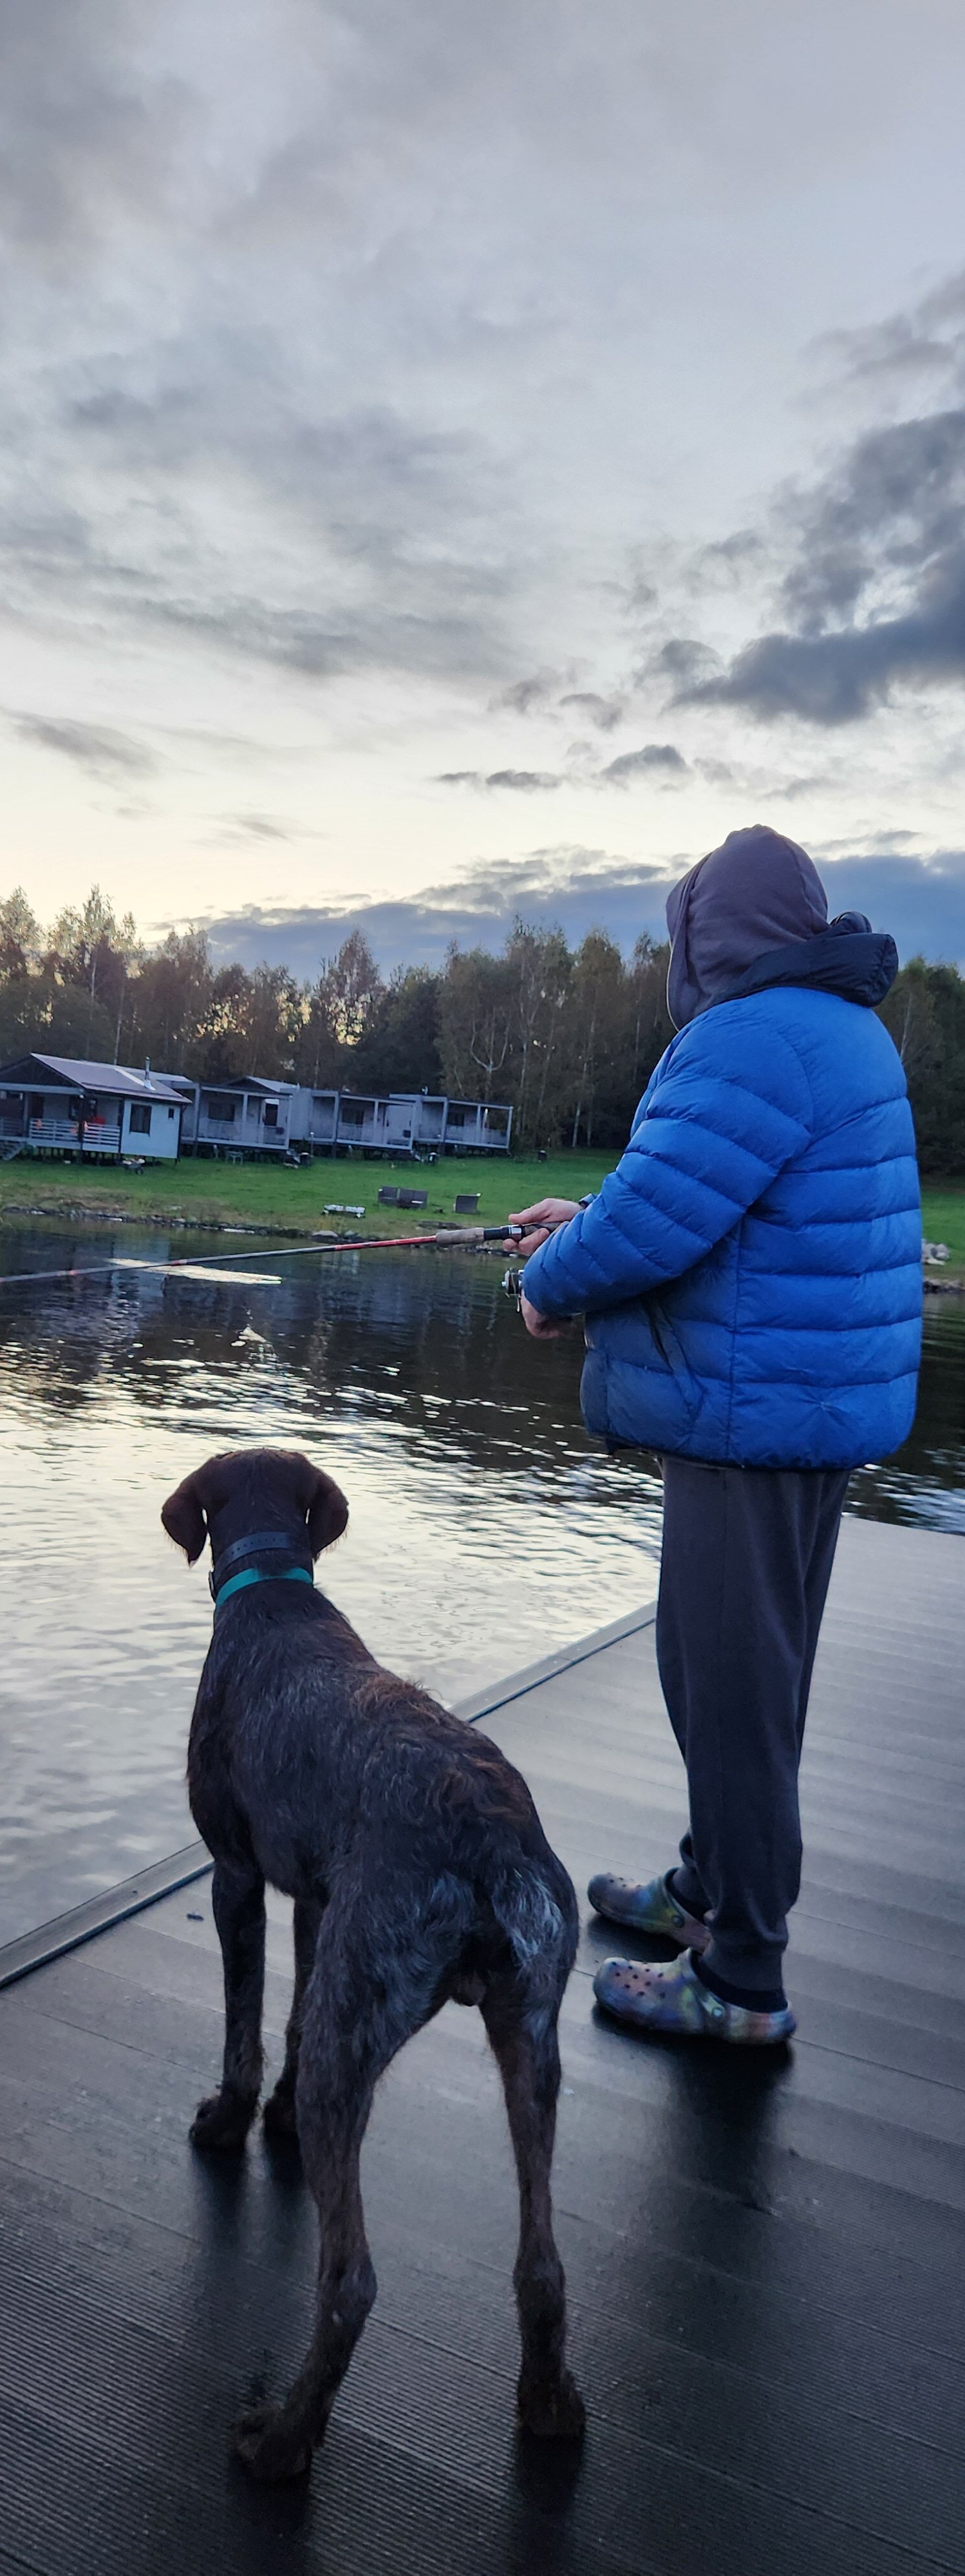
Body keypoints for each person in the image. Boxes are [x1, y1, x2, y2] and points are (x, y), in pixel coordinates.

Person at [510, 826, 923, 2045]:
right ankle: (709, 1890)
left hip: (755, 1421)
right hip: (795, 1413)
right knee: (736, 1677)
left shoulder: (752, 1034)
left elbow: (654, 1224)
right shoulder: (837, 1027)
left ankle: (742, 1975)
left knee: (728, 1690)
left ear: (711, 935)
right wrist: (586, 1221)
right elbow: (720, 1204)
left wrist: (554, 1279)